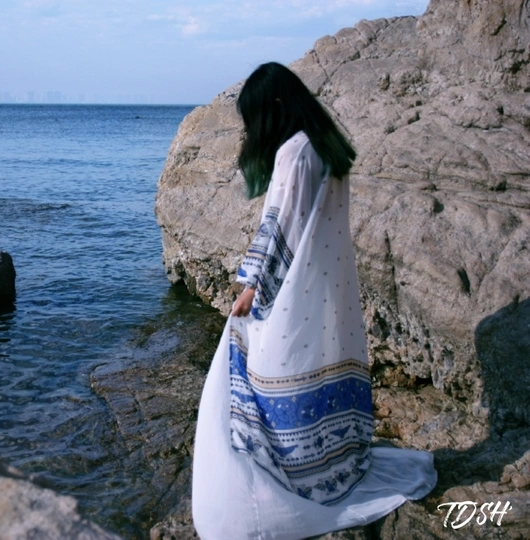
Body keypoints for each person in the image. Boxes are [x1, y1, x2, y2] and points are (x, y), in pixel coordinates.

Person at [191, 62, 437, 539]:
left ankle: (297, 481)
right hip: (325, 291)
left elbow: (280, 227)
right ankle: (331, 467)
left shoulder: (295, 152)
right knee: (314, 371)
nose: (253, 129)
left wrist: (250, 288)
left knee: (267, 372)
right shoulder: (324, 148)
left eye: (256, 117)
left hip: (293, 293)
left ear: (275, 106)